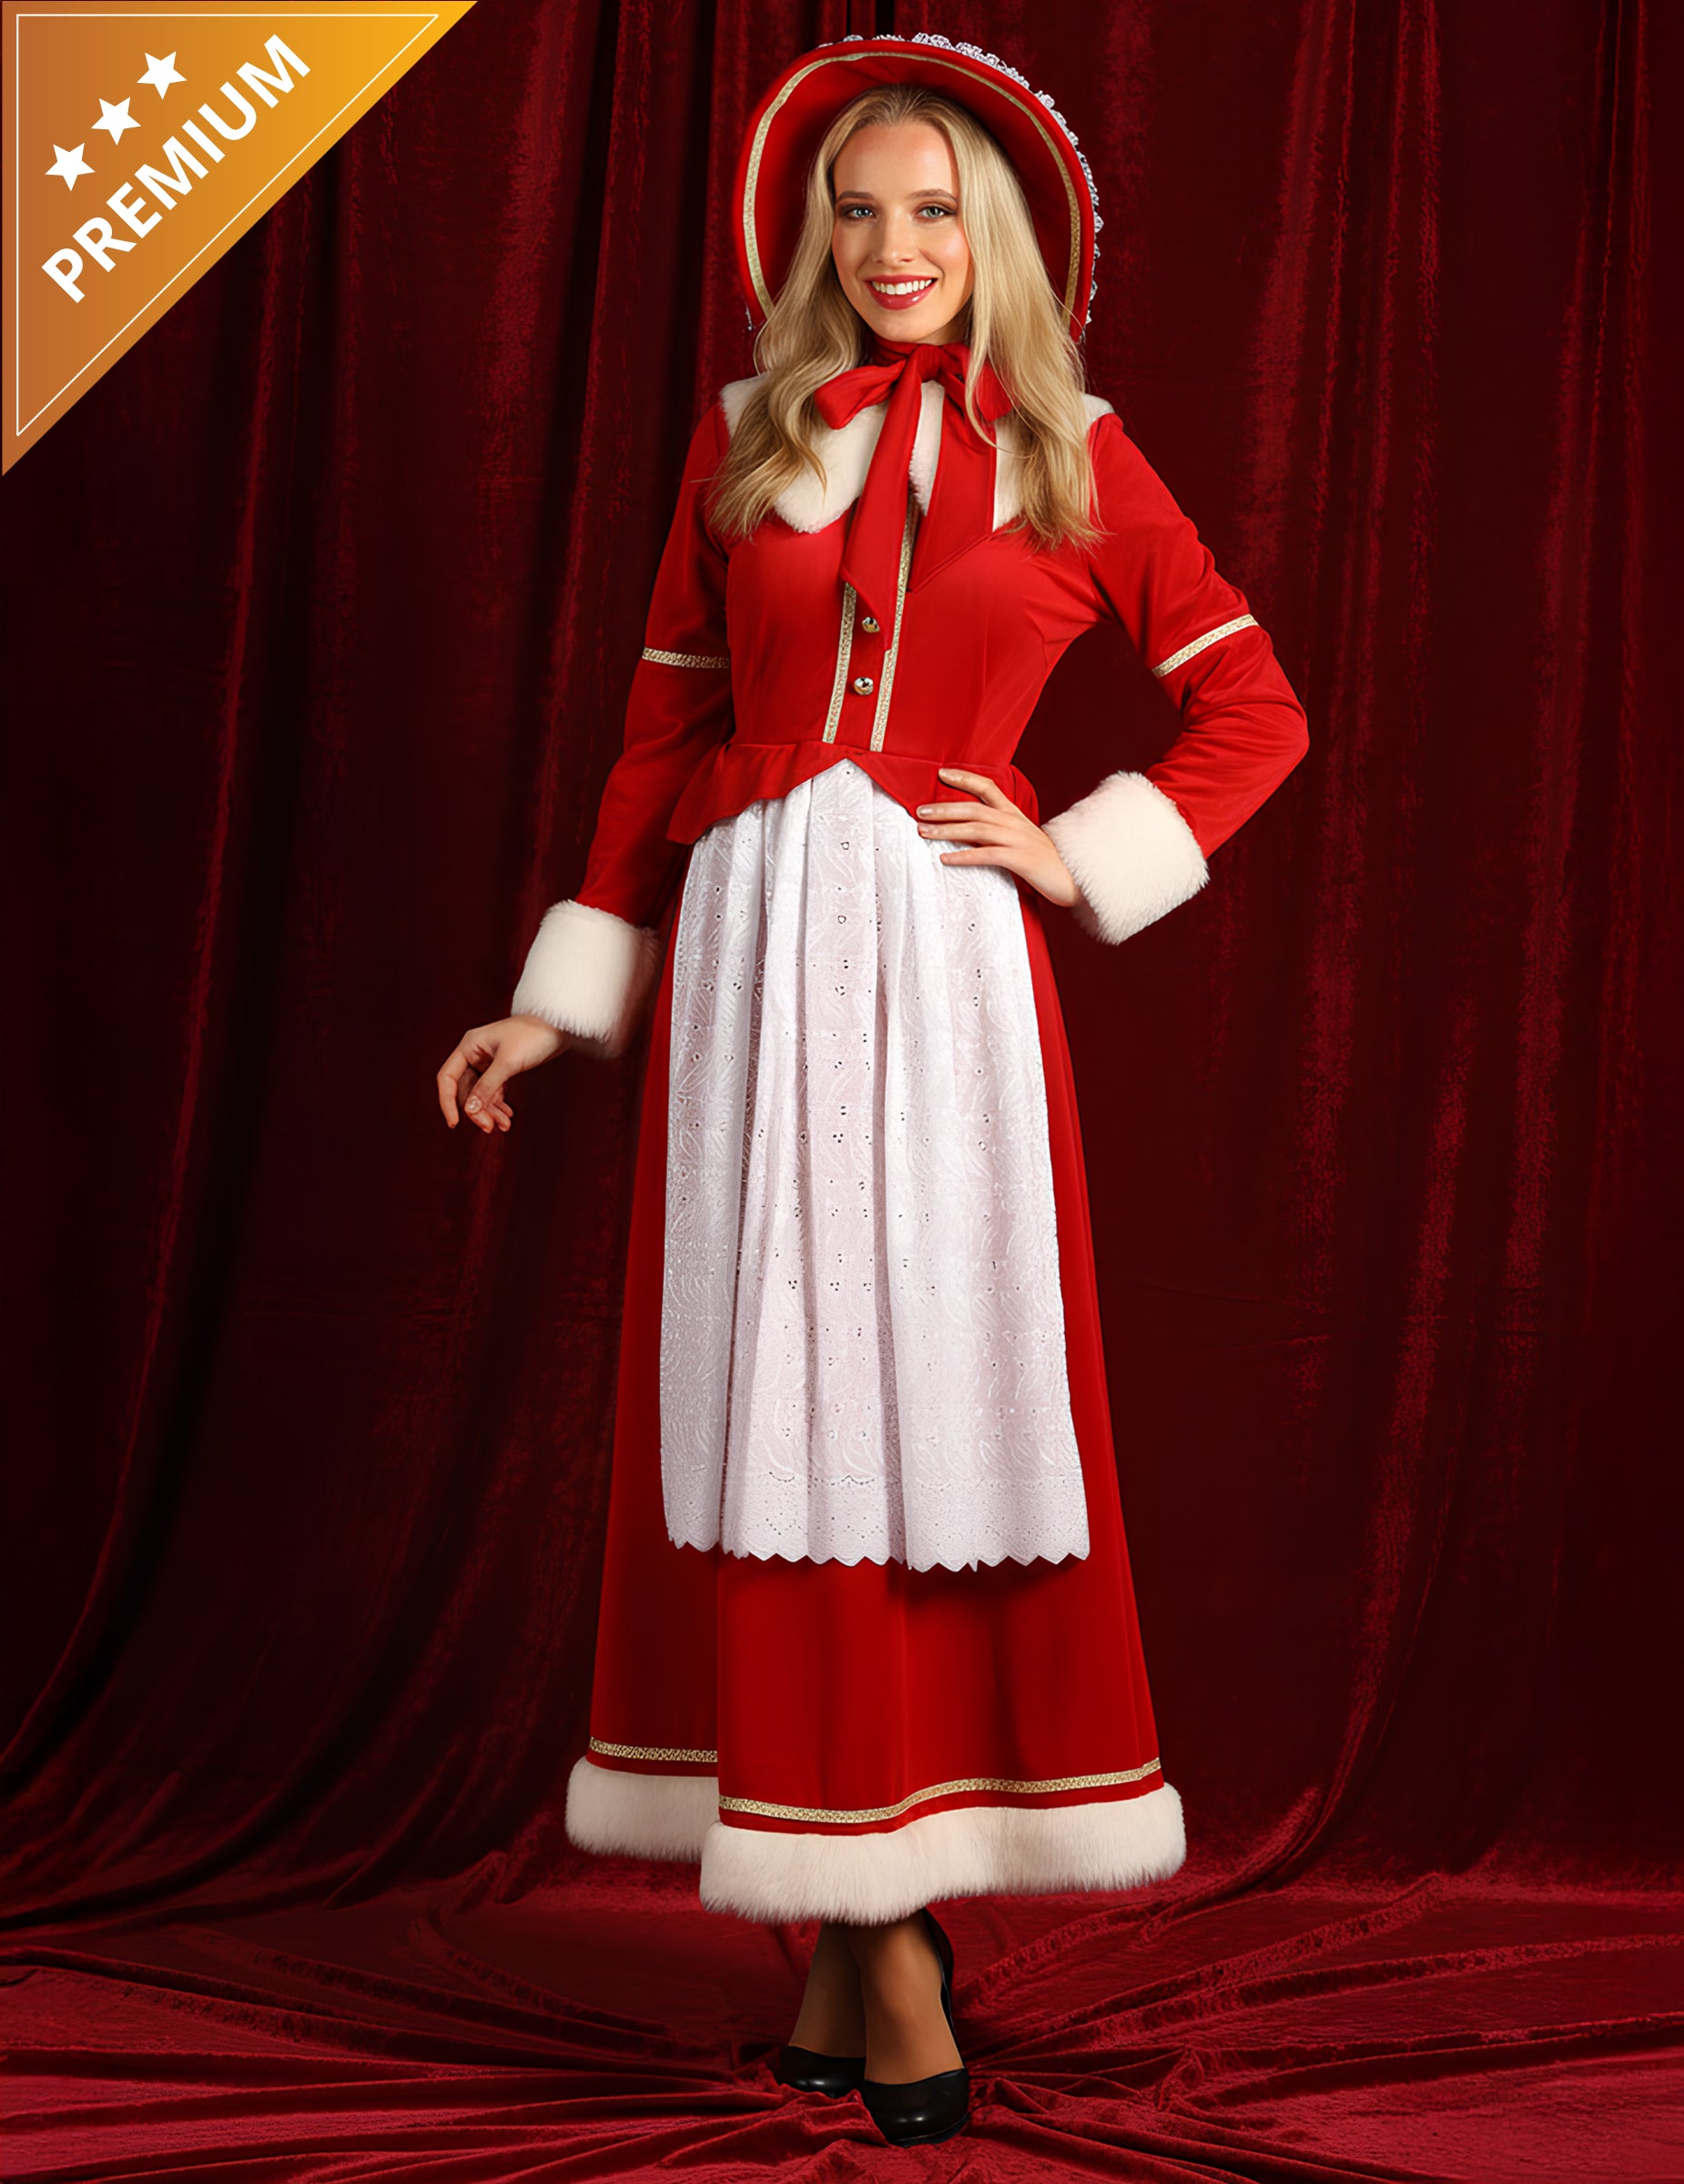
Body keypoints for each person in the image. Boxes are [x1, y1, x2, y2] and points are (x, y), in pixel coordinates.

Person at [437, 31, 1309, 2150]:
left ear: (994, 235)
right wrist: (566, 989)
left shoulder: (1075, 452)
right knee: (772, 1416)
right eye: (857, 209)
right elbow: (662, 737)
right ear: (811, 236)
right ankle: (857, 1933)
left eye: (931, 209)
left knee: (922, 1419)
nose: (893, 243)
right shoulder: (747, 440)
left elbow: (1251, 707)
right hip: (744, 975)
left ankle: (884, 1936)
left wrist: (1074, 852)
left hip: (939, 979)